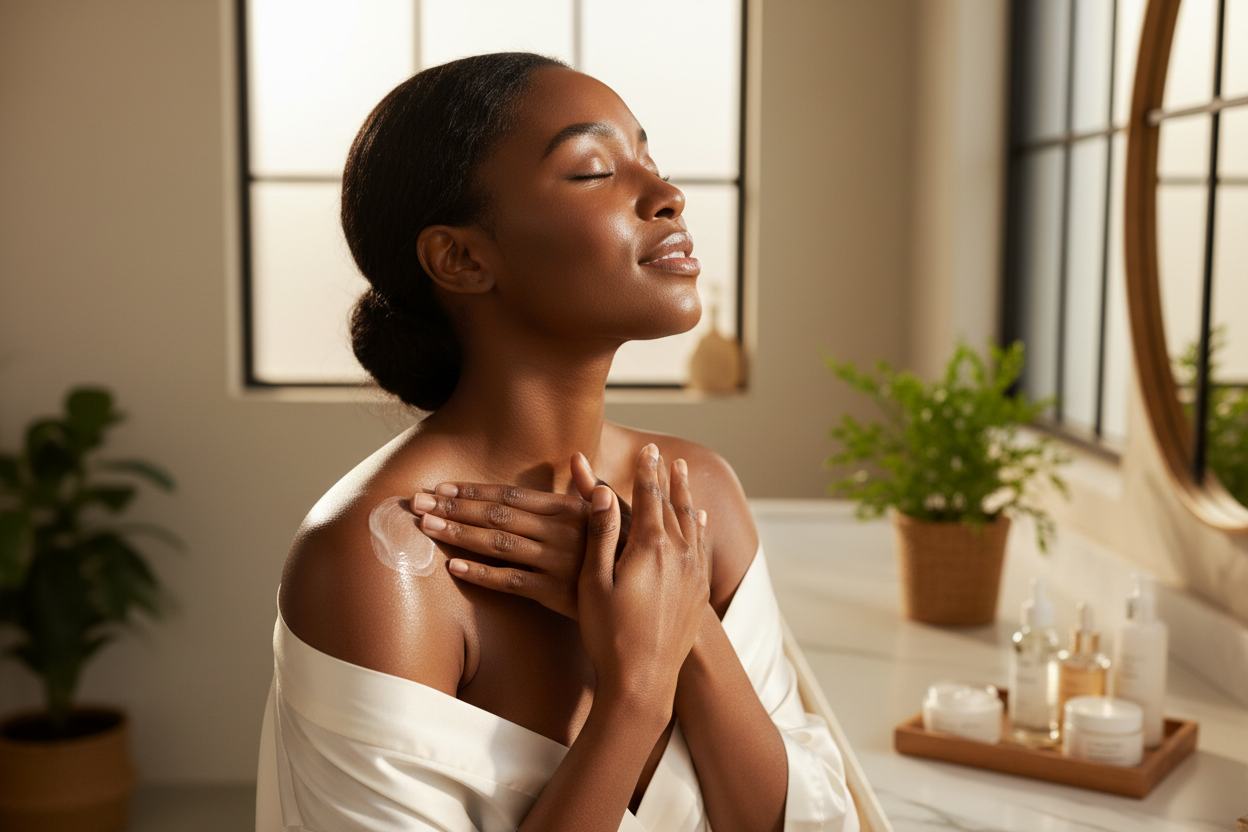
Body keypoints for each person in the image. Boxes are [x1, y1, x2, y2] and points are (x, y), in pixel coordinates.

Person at [256, 52, 856, 832]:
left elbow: (797, 822)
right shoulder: (381, 564)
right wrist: (636, 692)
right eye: (593, 171)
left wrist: (685, 622)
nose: (669, 196)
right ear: (463, 258)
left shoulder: (695, 492)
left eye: (651, 160)